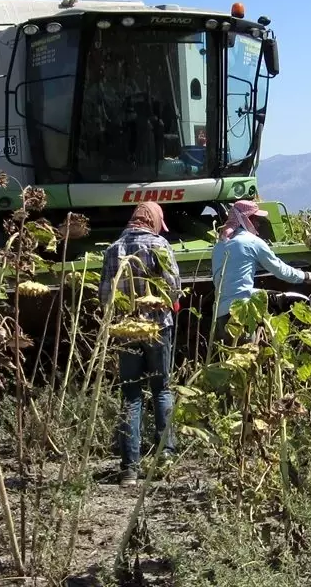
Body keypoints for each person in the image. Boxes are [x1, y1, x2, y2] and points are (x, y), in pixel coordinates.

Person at [99, 202, 182, 487]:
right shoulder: (159, 245)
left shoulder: (113, 249)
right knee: (161, 389)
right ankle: (166, 460)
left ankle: (129, 470)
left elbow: (105, 294)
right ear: (154, 221)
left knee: (131, 394)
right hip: (159, 326)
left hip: (126, 330)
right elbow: (174, 286)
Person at [210, 200, 311, 340]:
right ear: (246, 219)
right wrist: (307, 276)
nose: (258, 223)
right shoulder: (251, 241)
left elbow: (234, 287)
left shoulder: (219, 246)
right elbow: (280, 269)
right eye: (255, 219)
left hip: (220, 317)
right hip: (241, 314)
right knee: (249, 358)